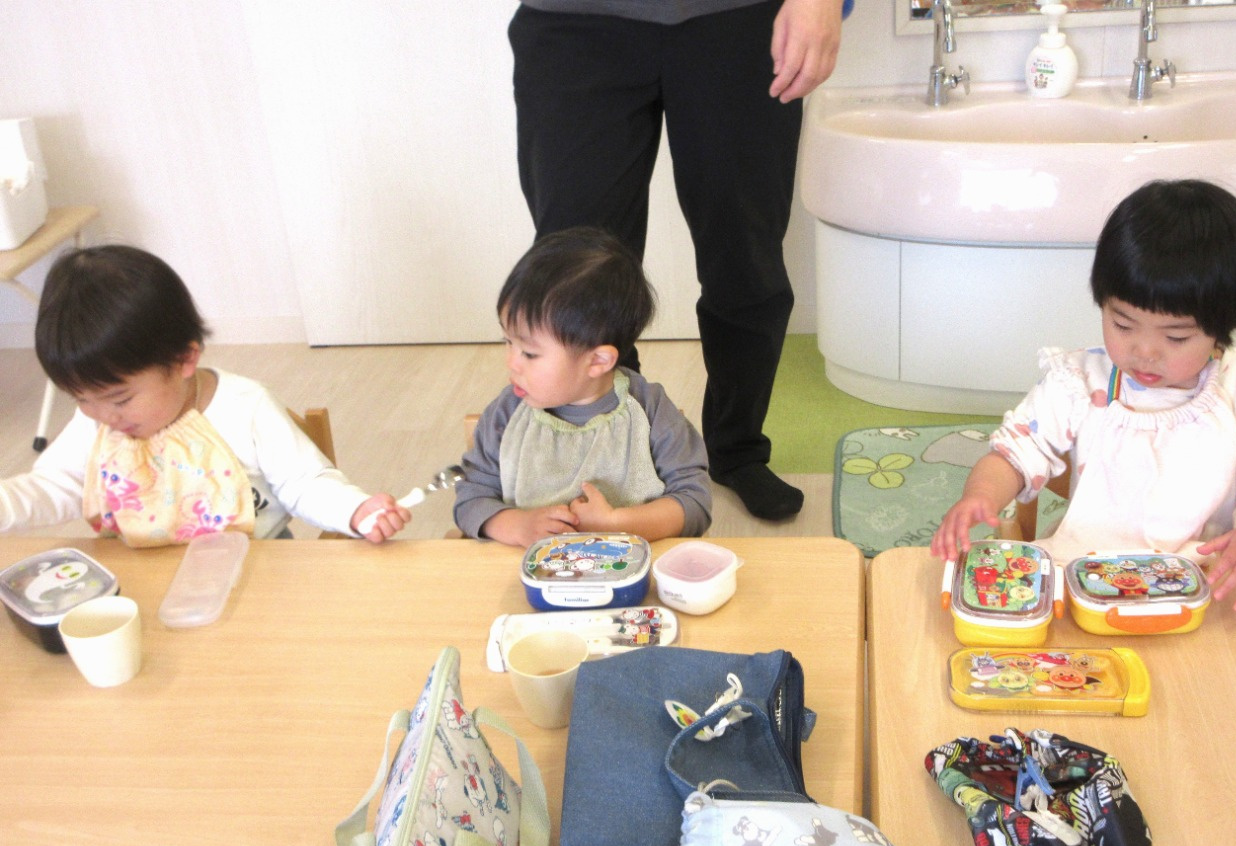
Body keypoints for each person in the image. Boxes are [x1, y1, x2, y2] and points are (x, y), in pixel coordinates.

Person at [508, 0, 846, 521]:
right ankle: (611, 448)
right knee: (575, 276)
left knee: (746, 262)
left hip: (740, 17)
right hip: (574, 22)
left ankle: (736, 449)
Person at [931, 179, 1236, 611]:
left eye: (1176, 337)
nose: (1144, 352)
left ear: (1222, 323)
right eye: (1123, 324)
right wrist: (979, 496)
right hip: (1084, 578)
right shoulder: (1080, 382)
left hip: (1204, 585)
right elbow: (1017, 451)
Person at [0, 245, 410, 545]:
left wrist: (354, 510)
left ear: (184, 359)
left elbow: (303, 482)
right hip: (143, 576)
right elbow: (59, 485)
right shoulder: (98, 421)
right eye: (80, 398)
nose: (103, 416)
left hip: (258, 567)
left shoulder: (244, 408)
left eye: (121, 399)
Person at [452, 227, 713, 548]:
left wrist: (617, 524)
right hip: (524, 570)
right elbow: (471, 496)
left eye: (529, 353)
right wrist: (518, 526)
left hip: (629, 568)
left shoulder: (649, 410)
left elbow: (694, 502)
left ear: (598, 361)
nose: (511, 362)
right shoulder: (507, 413)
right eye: (508, 342)